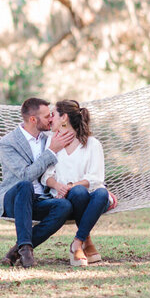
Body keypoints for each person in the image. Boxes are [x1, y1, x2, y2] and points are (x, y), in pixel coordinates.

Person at [0, 97, 76, 268]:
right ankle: (26, 252)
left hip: (39, 200)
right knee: (25, 185)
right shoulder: (9, 142)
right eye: (46, 116)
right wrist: (51, 151)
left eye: (51, 115)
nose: (51, 119)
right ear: (32, 119)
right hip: (12, 199)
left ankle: (21, 249)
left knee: (64, 207)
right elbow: (24, 176)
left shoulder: (49, 138)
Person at [42, 99, 110, 267]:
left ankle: (77, 243)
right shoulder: (52, 142)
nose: (50, 119)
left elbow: (96, 178)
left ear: (64, 118)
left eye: (54, 115)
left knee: (102, 193)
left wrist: (72, 185)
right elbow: (46, 177)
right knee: (78, 193)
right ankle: (87, 241)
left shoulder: (92, 144)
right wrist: (59, 186)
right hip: (65, 198)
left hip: (92, 196)